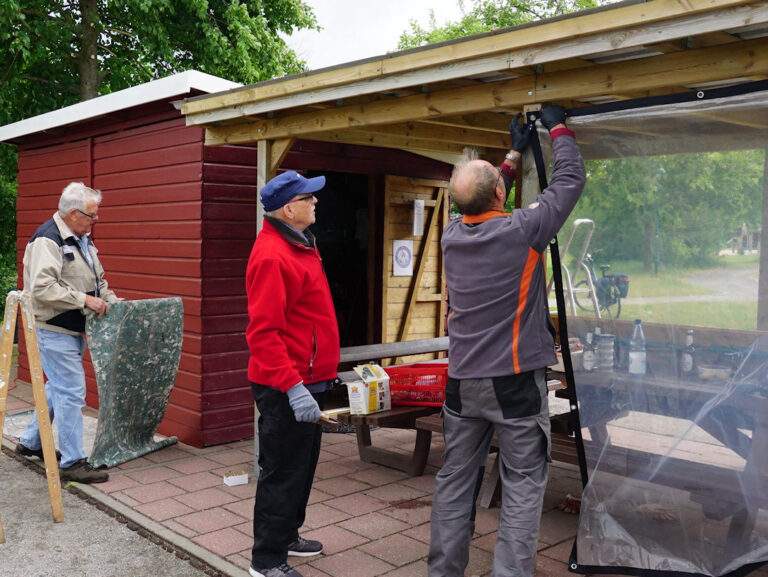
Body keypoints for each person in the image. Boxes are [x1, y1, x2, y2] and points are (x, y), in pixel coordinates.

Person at [428, 105, 586, 577]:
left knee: (455, 482)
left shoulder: (452, 235)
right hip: (514, 384)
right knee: (522, 486)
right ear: (500, 192)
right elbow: (569, 182)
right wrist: (558, 127)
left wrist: (513, 152)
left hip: (462, 384)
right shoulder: (523, 231)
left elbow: (483, 196)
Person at [245, 171, 340, 577]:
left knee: (301, 468)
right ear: (289, 208)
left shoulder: (299, 244)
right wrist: (293, 387)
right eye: (309, 198)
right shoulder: (272, 255)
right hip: (286, 384)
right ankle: (266, 560)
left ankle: (286, 536)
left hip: (307, 379)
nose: (316, 202)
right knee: (281, 473)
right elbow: (263, 334)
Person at [15, 182, 117, 484]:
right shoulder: (48, 240)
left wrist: (109, 301)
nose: (95, 221)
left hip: (72, 328)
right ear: (73, 213)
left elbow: (97, 280)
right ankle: (73, 462)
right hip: (53, 328)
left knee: (56, 387)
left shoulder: (81, 238)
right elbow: (42, 288)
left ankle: (31, 442)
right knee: (71, 392)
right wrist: (84, 300)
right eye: (91, 215)